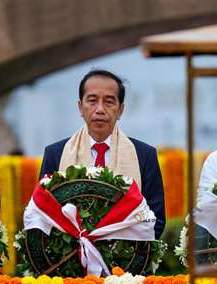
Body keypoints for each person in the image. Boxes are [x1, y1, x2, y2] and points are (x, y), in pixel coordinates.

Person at [39, 69, 166, 238]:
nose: (100, 109)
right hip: (72, 253)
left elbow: (156, 219)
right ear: (80, 107)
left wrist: (124, 248)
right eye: (92, 101)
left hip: (126, 253)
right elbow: (42, 213)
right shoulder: (56, 154)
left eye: (109, 102)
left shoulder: (144, 155)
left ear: (120, 110)